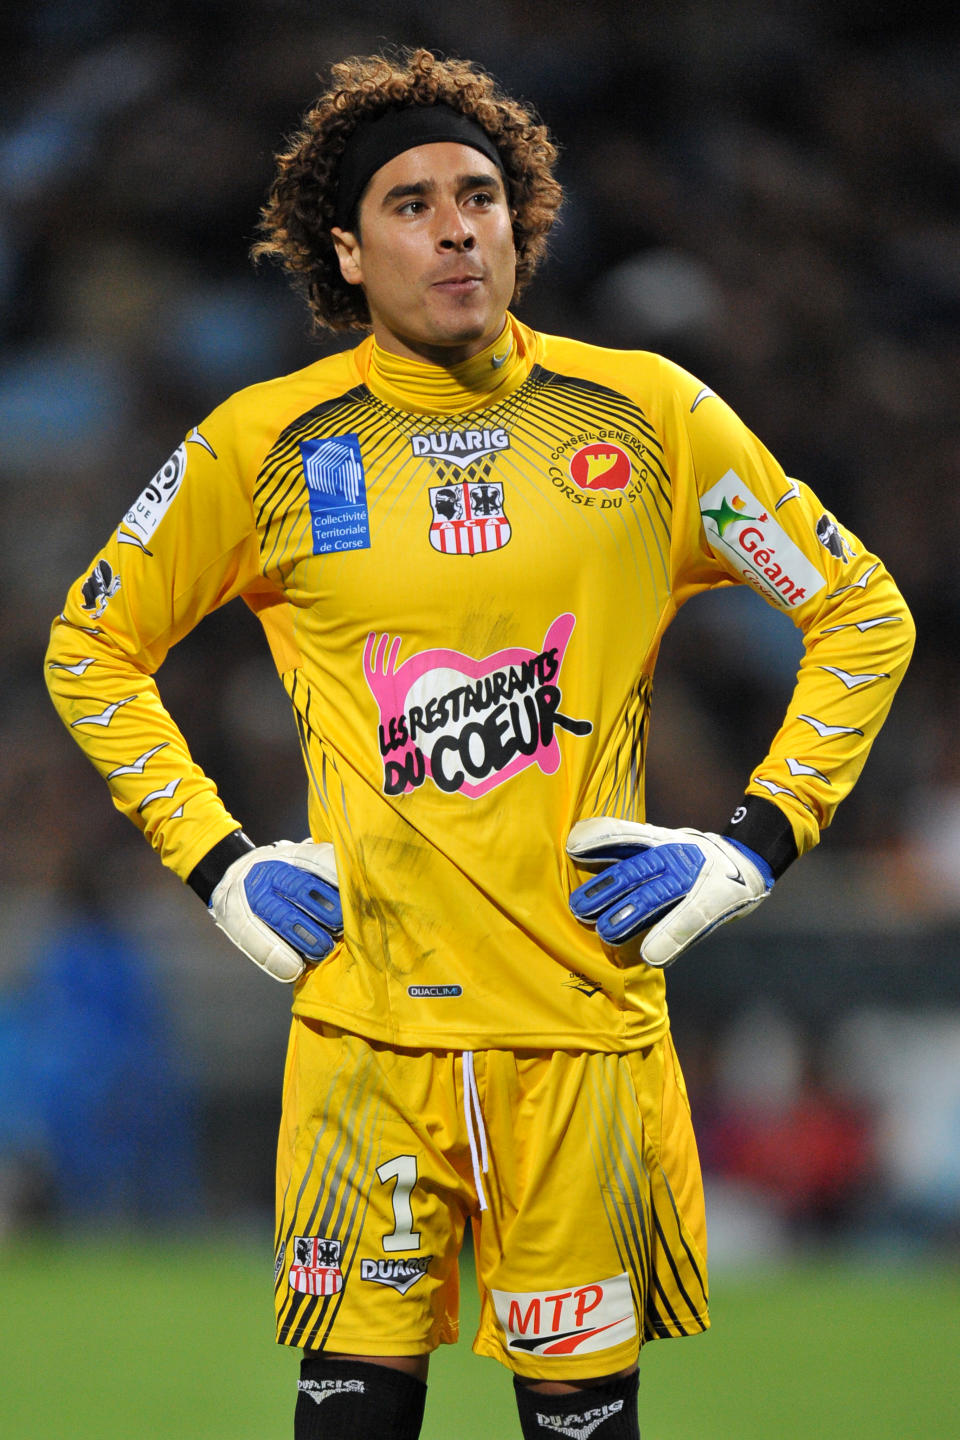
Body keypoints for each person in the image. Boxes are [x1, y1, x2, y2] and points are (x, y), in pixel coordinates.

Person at [45, 46, 914, 1440]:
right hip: (366, 1036)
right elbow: (88, 645)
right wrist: (214, 862)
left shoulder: (651, 419)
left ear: (521, 219)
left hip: (585, 1036)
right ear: (344, 247)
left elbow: (862, 614)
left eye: (482, 195)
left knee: (582, 1429)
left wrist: (750, 848)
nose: (457, 225)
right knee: (350, 1422)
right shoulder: (266, 446)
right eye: (411, 202)